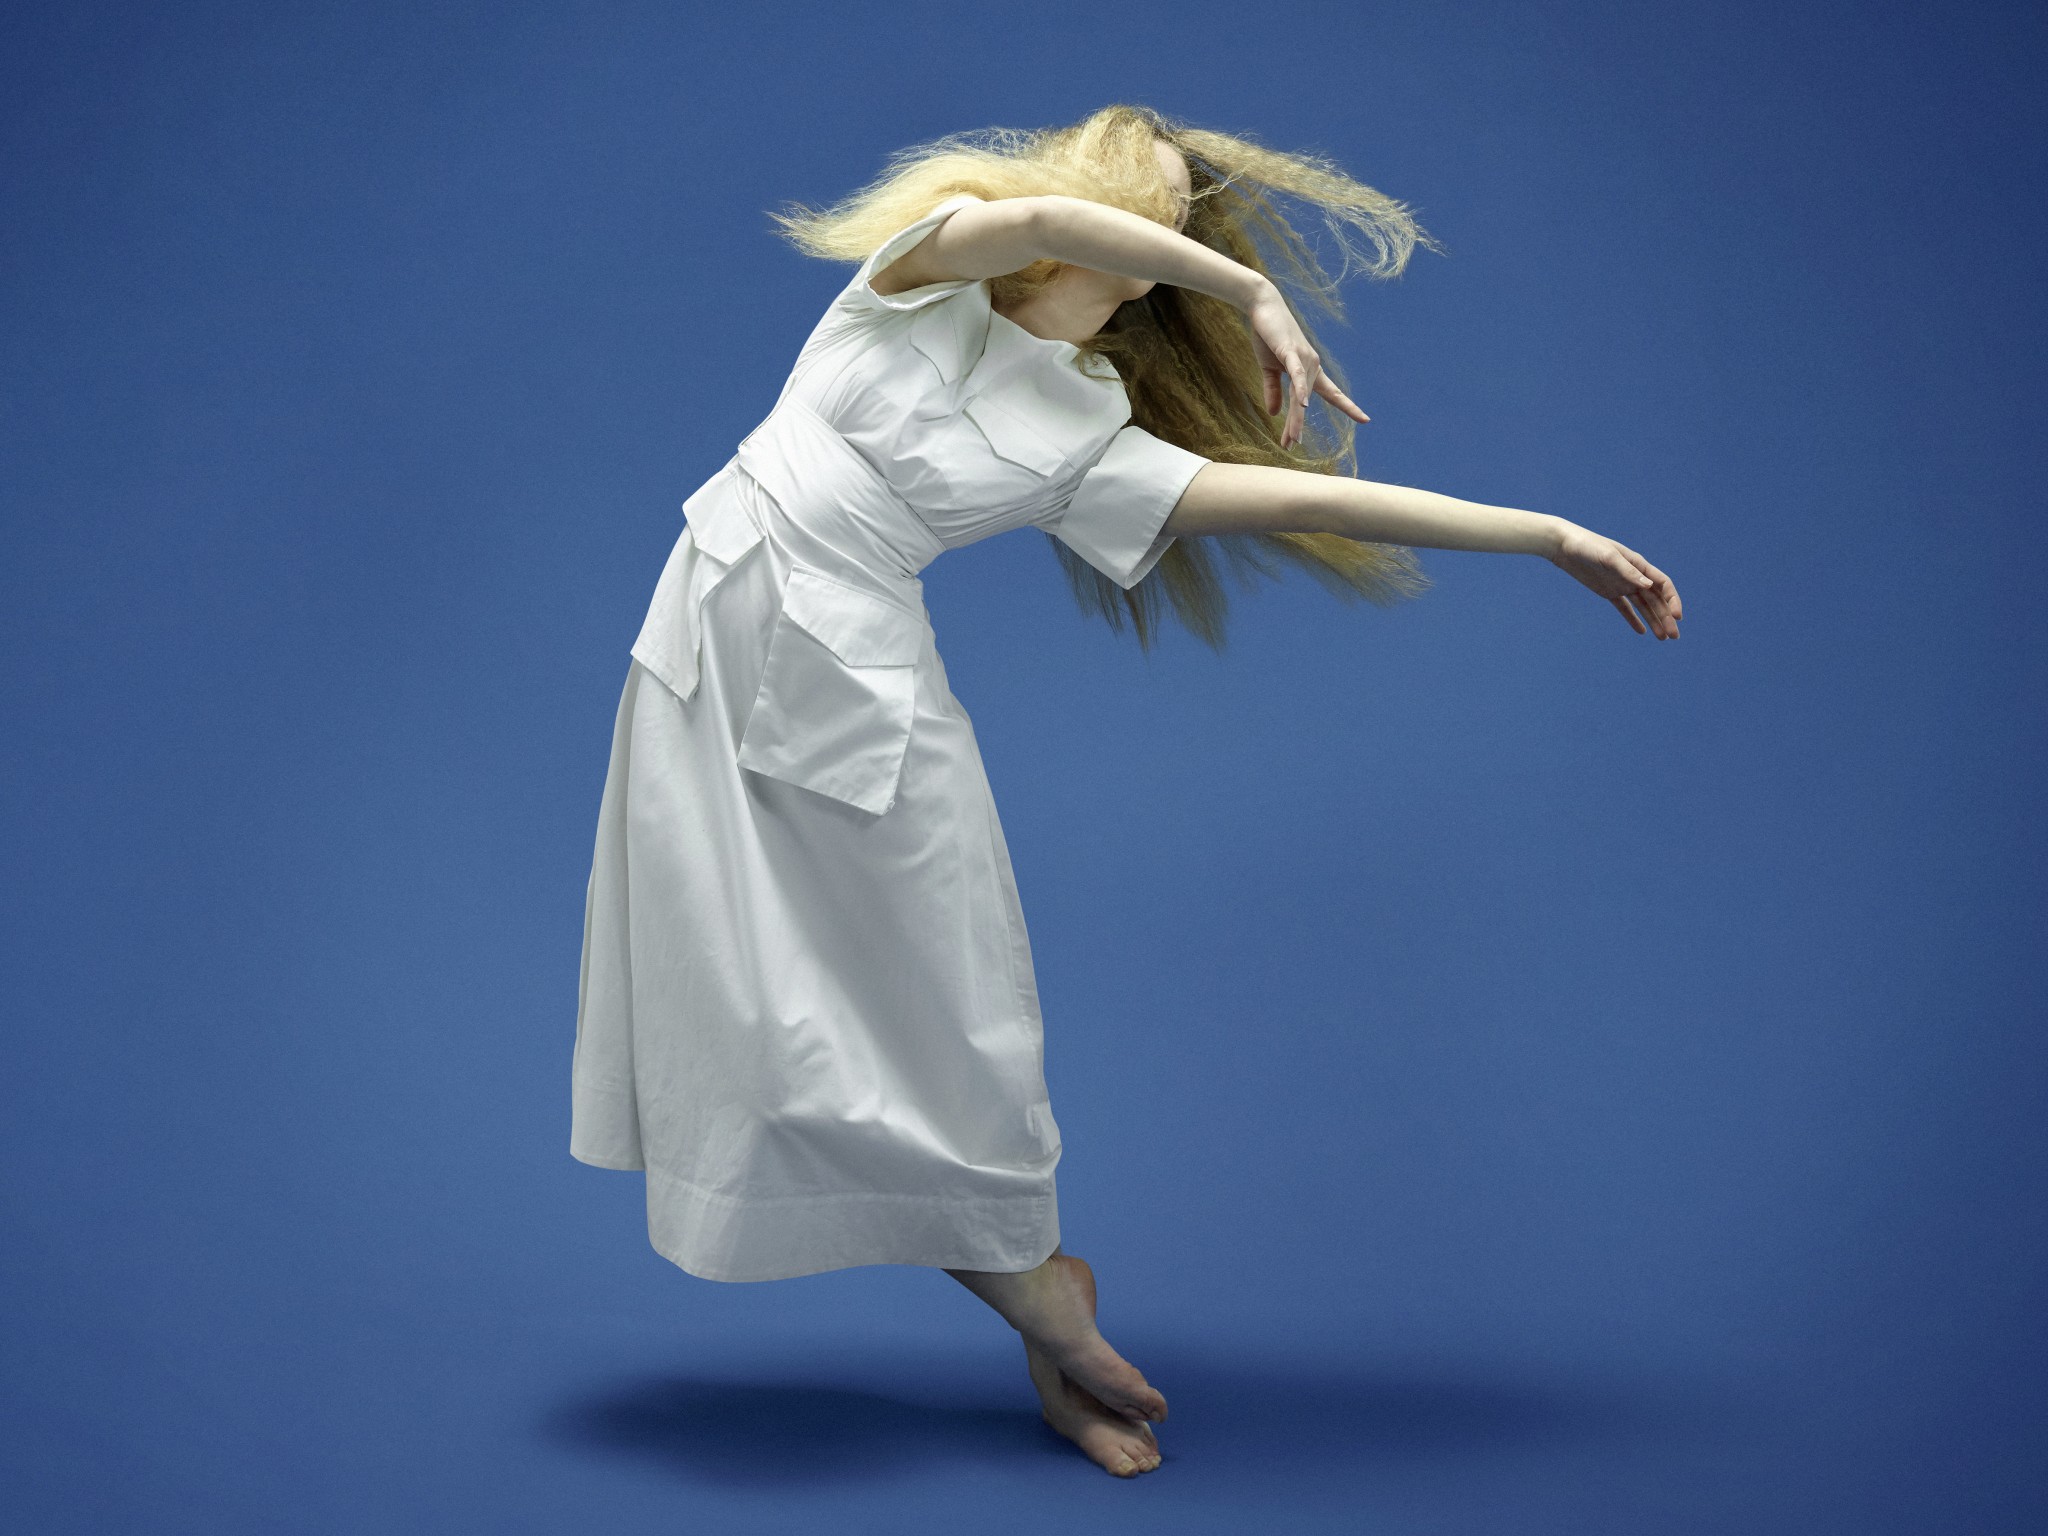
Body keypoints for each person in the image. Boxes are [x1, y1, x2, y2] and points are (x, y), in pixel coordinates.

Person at [570, 104, 1683, 1480]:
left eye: (1180, 213)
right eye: (1134, 190)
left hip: (859, 698)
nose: (1157, 219)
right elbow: (1037, 228)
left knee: (945, 1027)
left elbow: (1313, 504)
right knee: (754, 1012)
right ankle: (1043, 1305)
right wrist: (1254, 290)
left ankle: (1041, 1296)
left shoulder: (1090, 432)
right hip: (714, 636)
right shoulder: (921, 283)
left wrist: (1550, 535)